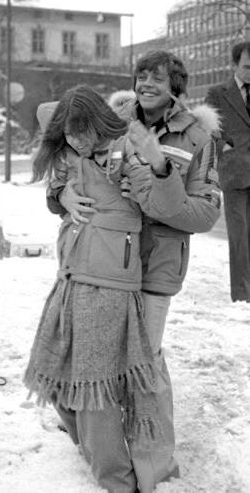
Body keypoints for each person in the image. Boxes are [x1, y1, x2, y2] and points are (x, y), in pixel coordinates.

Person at [45, 51, 221, 491]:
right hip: (100, 264)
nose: (146, 84)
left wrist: (158, 171)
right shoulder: (112, 120)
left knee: (141, 372)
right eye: (141, 76)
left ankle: (154, 475)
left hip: (154, 268)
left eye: (157, 78)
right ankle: (99, 448)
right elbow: (68, 161)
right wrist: (61, 194)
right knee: (84, 363)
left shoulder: (198, 137)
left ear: (176, 84)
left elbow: (202, 216)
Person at [24, 84, 171, 493]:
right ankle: (90, 451)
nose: (74, 140)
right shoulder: (72, 155)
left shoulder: (125, 152)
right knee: (52, 369)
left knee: (94, 386)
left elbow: (156, 196)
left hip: (110, 283)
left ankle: (117, 480)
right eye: (68, 133)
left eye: (81, 131)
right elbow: (47, 109)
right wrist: (61, 193)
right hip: (71, 274)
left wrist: (153, 170)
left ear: (98, 123)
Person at [205, 41, 250, 303]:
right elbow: (208, 126)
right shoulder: (217, 93)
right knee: (239, 235)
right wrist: (225, 146)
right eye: (246, 67)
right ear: (233, 65)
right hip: (234, 173)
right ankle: (243, 295)